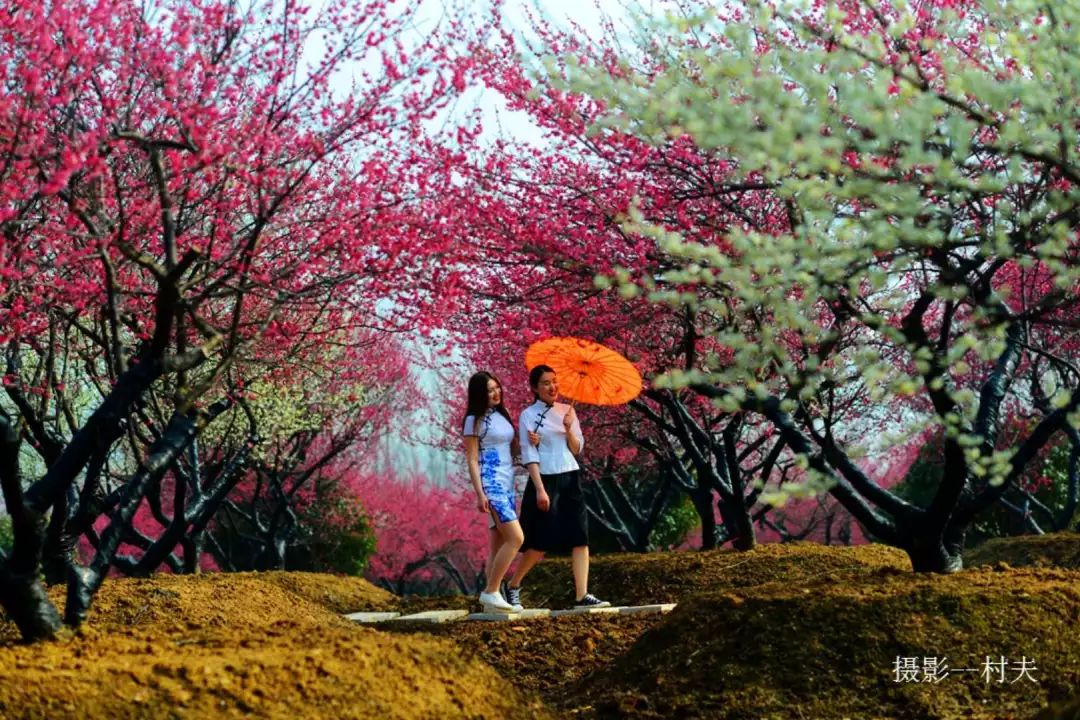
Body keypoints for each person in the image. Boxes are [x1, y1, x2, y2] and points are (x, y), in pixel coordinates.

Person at [504, 364, 610, 609]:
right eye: (545, 383)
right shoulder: (528, 415)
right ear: (534, 387)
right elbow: (530, 454)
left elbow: (577, 448)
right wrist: (540, 488)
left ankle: (582, 596)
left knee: (580, 537)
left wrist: (568, 427)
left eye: (555, 381)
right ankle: (513, 585)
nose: (553, 387)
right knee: (541, 542)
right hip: (545, 479)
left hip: (570, 476)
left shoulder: (567, 411)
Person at [463, 371, 525, 612]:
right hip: (492, 485)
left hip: (508, 484)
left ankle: (493, 599)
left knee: (497, 546)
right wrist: (480, 493)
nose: (495, 393)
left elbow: (512, 450)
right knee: (516, 538)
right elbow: (471, 459)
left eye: (497, 387)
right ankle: (491, 591)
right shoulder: (474, 420)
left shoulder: (502, 415)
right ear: (479, 395)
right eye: (489, 390)